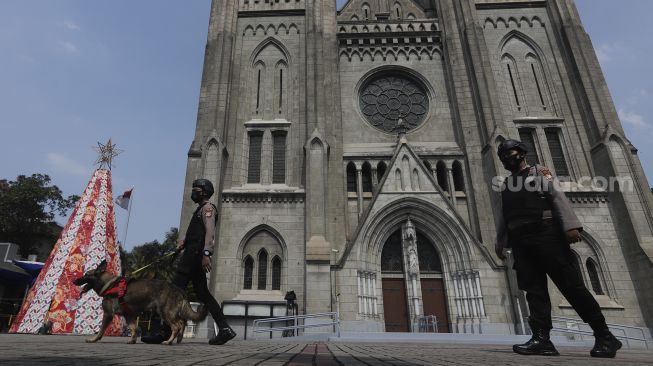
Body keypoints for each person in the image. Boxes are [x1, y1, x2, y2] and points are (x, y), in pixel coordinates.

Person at [494, 139, 621, 358]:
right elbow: (505, 216)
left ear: (522, 154)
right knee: (534, 292)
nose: (507, 159)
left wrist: (570, 226)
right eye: (503, 156)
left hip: (546, 234)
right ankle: (542, 339)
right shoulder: (506, 185)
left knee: (571, 287)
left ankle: (604, 336)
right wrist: (499, 240)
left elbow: (557, 197)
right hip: (521, 242)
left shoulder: (539, 173)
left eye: (510, 154)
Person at [142, 178, 236, 345]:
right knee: (203, 295)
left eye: (196, 188)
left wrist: (207, 253)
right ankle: (225, 329)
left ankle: (164, 332)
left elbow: (209, 233)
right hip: (192, 256)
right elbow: (195, 232)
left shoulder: (208, 209)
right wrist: (183, 242)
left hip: (193, 258)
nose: (193, 191)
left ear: (204, 191)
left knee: (170, 293)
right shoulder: (199, 210)